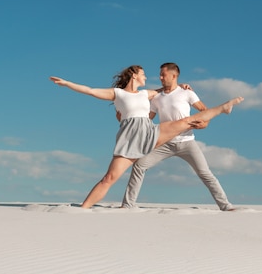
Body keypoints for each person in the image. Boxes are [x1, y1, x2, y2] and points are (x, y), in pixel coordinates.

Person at [49, 65, 244, 209]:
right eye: (143, 74)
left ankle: (223, 108)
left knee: (188, 122)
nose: (151, 77)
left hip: (152, 133)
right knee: (110, 177)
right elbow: (90, 91)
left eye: (161, 75)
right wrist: (67, 83)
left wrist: (182, 87)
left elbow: (167, 91)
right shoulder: (118, 93)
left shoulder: (148, 94)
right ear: (134, 75)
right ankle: (87, 208)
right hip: (132, 136)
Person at [120, 62, 235, 211]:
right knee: (140, 165)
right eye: (160, 74)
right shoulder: (157, 98)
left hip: (187, 143)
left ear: (174, 76)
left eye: (163, 74)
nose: (160, 77)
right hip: (164, 142)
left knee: (205, 173)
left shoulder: (187, 93)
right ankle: (128, 204)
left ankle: (225, 205)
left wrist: (204, 124)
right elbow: (148, 119)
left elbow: (204, 111)